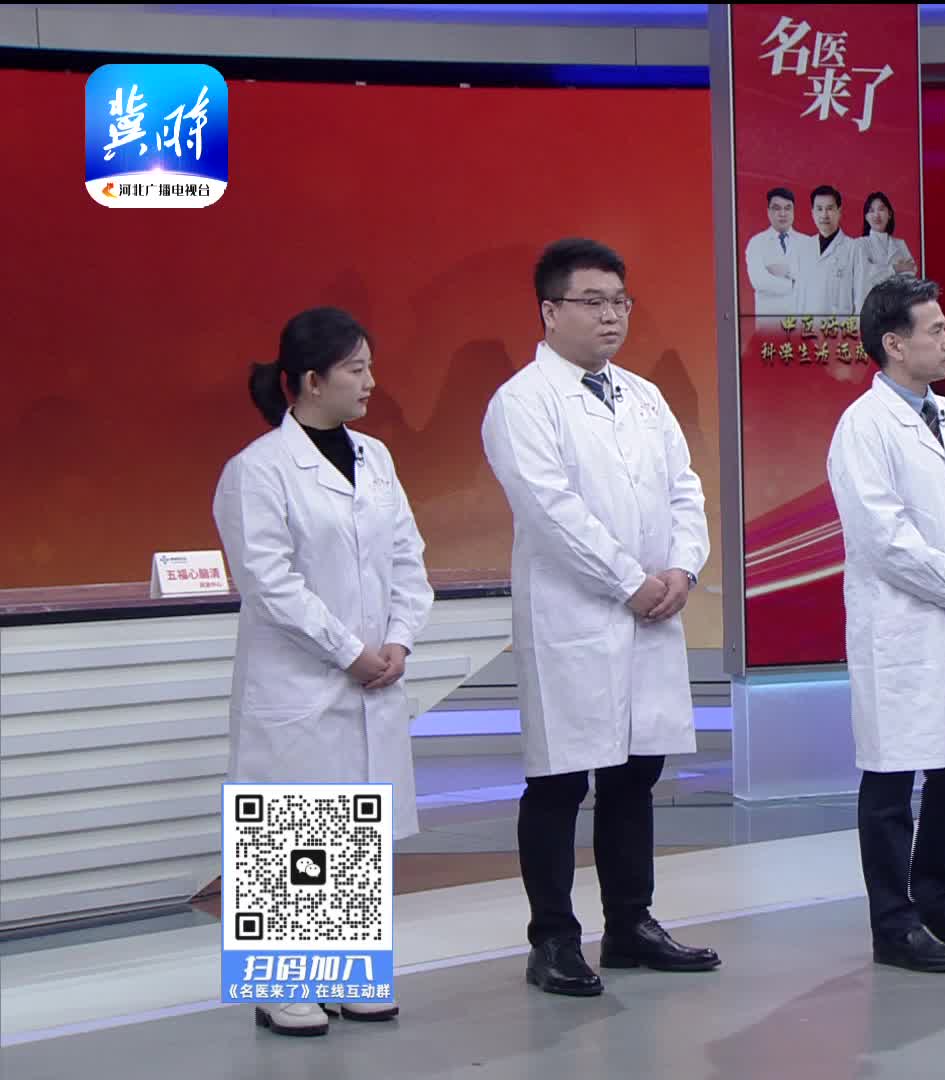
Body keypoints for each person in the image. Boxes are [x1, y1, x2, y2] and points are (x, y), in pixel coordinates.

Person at [481, 237, 717, 997]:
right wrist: (628, 582)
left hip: (651, 610)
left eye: (620, 301)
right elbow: (550, 510)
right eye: (593, 301)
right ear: (550, 311)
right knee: (559, 779)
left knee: (635, 773)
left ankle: (630, 925)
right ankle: (553, 939)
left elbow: (685, 488)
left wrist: (682, 568)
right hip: (575, 616)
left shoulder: (644, 396)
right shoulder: (521, 402)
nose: (611, 315)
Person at [213, 307, 432, 1036]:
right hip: (299, 680)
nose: (371, 382)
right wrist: (349, 650)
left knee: (350, 825)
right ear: (311, 381)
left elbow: (407, 558)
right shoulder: (257, 471)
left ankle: (346, 972)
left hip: (372, 673)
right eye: (356, 369)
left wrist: (398, 640)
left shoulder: (376, 458)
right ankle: (282, 984)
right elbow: (270, 584)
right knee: (293, 828)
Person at [825, 274, 945, 973]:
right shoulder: (864, 427)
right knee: (892, 779)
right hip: (906, 626)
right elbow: (883, 536)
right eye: (935, 330)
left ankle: (938, 900)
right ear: (894, 343)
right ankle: (894, 923)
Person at [851, 191, 917, 316]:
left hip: (895, 311)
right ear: (866, 217)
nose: (877, 215)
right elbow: (866, 276)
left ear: (889, 214)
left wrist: (880, 272)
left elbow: (910, 274)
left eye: (881, 209)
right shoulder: (860, 244)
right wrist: (895, 269)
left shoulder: (900, 244)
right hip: (868, 311)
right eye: (871, 211)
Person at [745, 186, 806, 316]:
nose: (782, 214)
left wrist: (787, 270)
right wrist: (794, 284)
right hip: (769, 321)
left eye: (787, 208)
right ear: (768, 211)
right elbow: (759, 282)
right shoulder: (756, 243)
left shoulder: (808, 243)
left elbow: (815, 282)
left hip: (802, 321)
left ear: (793, 211)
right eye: (777, 208)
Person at [797, 185, 856, 315]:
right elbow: (799, 296)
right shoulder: (804, 247)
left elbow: (860, 296)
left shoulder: (853, 248)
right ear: (812, 212)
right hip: (807, 324)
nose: (824, 215)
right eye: (819, 209)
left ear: (839, 211)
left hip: (840, 325)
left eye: (829, 208)